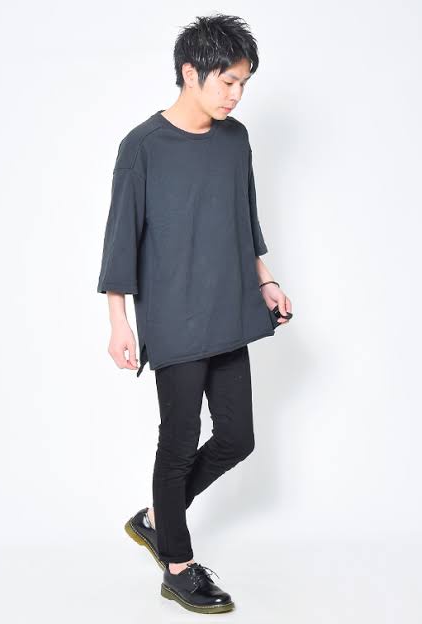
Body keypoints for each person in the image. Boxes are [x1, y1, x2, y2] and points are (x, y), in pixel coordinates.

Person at [97, 13, 293, 614]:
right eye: (228, 81)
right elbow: (120, 238)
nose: (236, 95)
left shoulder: (236, 140)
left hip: (229, 306)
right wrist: (119, 321)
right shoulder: (142, 146)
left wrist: (265, 280)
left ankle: (158, 518)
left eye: (243, 84)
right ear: (190, 71)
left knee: (237, 438)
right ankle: (177, 565)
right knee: (178, 443)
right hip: (174, 316)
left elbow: (245, 218)